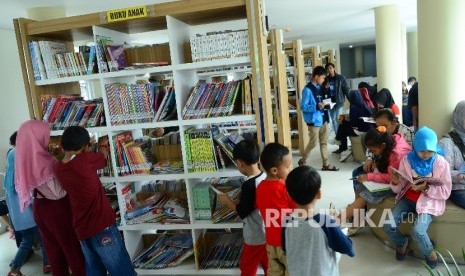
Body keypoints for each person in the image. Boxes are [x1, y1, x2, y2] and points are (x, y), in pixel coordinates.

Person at [55, 126, 136, 275]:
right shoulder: (85, 160)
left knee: (94, 269)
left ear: (62, 145)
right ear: (85, 147)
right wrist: (102, 145)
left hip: (81, 228)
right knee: (120, 267)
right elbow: (102, 156)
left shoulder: (59, 168)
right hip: (101, 224)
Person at [15, 120, 86, 276]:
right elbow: (57, 193)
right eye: (45, 135)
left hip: (40, 208)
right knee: (72, 249)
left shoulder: (25, 158)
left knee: (54, 252)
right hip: (56, 209)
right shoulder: (44, 161)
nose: (47, 138)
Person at [383, 126, 452, 269]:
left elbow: (446, 191)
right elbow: (400, 186)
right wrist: (395, 182)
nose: (426, 154)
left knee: (418, 231)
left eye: (430, 150)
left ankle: (429, 252)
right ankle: (402, 242)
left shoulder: (440, 163)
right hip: (407, 200)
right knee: (387, 224)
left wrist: (426, 188)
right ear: (415, 148)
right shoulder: (407, 160)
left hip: (428, 202)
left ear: (434, 147)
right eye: (422, 150)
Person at [283, 165, 354, 276]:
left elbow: (286, 248)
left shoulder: (286, 221)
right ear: (319, 194)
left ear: (289, 195)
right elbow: (348, 248)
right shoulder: (325, 222)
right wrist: (340, 229)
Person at [339, 126, 411, 234]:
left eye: (373, 150)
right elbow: (389, 166)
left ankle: (335, 221)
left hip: (399, 184)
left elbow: (390, 177)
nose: (373, 153)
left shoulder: (397, 154)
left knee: (364, 196)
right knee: (360, 187)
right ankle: (357, 219)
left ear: (383, 145)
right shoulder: (392, 140)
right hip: (391, 176)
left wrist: (369, 177)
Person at [218, 140, 268, 276]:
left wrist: (227, 201)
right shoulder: (265, 177)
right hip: (268, 233)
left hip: (255, 236)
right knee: (269, 266)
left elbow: (242, 212)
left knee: (248, 267)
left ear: (239, 163)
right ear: (258, 158)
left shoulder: (249, 185)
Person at [5, 131, 51, 276]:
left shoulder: (8, 181)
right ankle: (46, 264)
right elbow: (31, 197)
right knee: (42, 238)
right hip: (29, 217)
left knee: (28, 240)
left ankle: (15, 269)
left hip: (20, 219)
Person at [256, 142, 296, 276]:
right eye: (287, 167)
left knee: (274, 271)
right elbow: (298, 210)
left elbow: (260, 207)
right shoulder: (285, 188)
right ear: (274, 170)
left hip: (271, 241)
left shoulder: (260, 187)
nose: (290, 170)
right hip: (287, 241)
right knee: (291, 270)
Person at [298, 65, 339, 171]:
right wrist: (317, 106)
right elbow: (303, 106)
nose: (324, 80)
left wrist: (327, 99)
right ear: (316, 76)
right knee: (313, 142)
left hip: (324, 118)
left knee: (324, 143)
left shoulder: (321, 88)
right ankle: (303, 159)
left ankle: (326, 164)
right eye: (323, 78)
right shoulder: (307, 90)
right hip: (314, 121)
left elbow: (324, 99)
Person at [333, 87, 375, 162]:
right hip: (367, 129)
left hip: (359, 130)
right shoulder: (365, 105)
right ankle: (339, 141)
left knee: (342, 125)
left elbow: (353, 123)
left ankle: (341, 145)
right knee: (343, 125)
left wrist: (346, 120)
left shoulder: (354, 107)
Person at [438, 100, 465, 209]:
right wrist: (461, 176)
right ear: (458, 118)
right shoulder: (447, 142)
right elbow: (444, 172)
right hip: (459, 189)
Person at [323, 63, 350, 134]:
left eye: (330, 68)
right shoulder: (326, 79)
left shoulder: (341, 78)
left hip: (339, 101)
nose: (329, 70)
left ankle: (342, 134)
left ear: (334, 68)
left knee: (340, 119)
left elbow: (346, 89)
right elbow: (324, 92)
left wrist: (350, 99)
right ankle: (337, 135)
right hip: (329, 101)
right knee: (333, 119)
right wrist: (325, 88)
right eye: (328, 69)